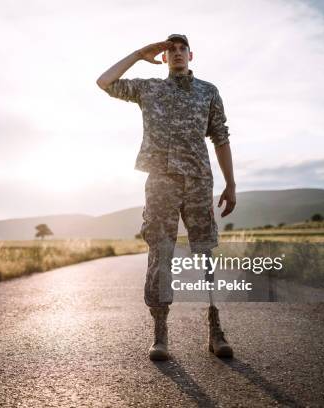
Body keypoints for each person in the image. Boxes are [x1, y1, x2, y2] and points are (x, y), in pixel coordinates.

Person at [96, 34, 237, 361]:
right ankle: (160, 334)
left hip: (199, 180)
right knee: (161, 252)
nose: (175, 53)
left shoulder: (208, 92)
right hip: (160, 181)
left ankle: (215, 329)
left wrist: (231, 184)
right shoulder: (149, 89)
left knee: (204, 251)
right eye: (170, 49)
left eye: (181, 49)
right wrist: (137, 53)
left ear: (190, 55)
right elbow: (104, 81)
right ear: (164, 57)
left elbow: (221, 138)